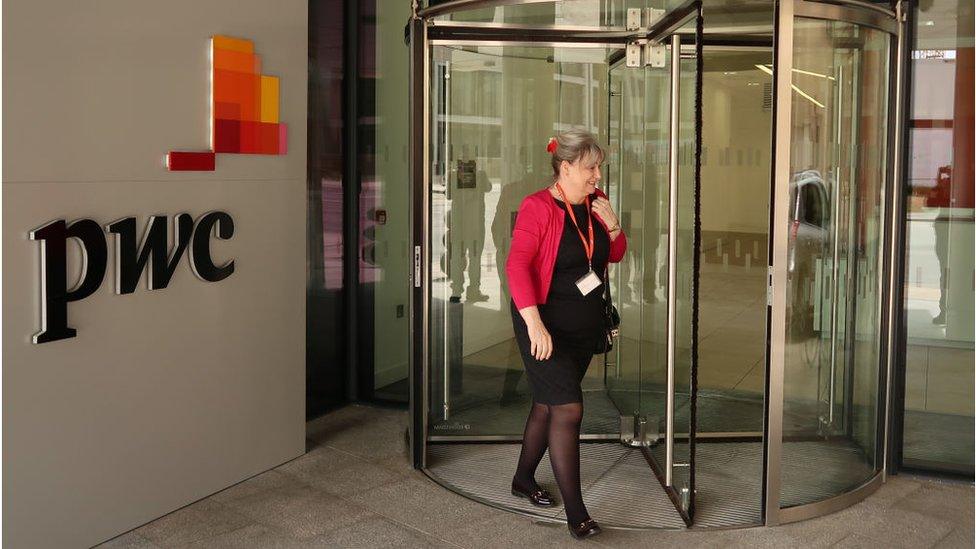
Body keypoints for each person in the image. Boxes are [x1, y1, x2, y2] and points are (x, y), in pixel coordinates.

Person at [505, 129, 627, 539]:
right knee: (569, 407)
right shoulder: (536, 207)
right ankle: (577, 514)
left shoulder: (597, 202)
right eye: (591, 168)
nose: (597, 175)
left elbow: (616, 252)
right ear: (566, 167)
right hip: (542, 324)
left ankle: (523, 479)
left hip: (582, 326)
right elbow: (517, 266)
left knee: (548, 403)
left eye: (598, 168)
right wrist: (533, 323)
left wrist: (613, 228)